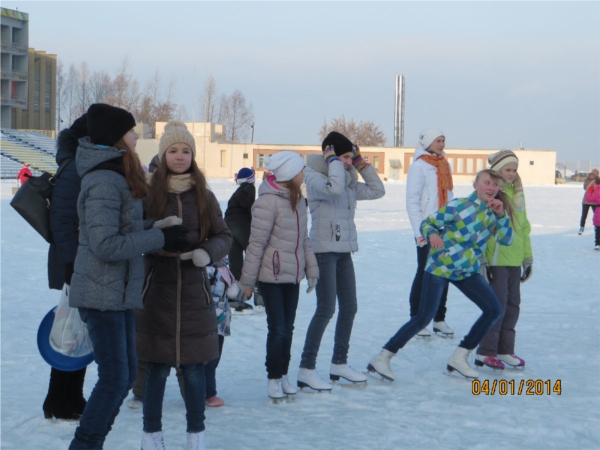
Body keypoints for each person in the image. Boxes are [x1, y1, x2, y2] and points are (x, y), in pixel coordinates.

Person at [68, 104, 189, 450]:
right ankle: (85, 445)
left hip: (116, 293)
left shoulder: (115, 173)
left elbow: (119, 228)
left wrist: (155, 226)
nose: (137, 137)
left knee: (121, 377)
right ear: (116, 138)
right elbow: (105, 244)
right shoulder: (104, 180)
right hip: (100, 293)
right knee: (115, 379)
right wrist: (159, 238)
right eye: (131, 131)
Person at [135, 120, 232, 449]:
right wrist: (155, 230)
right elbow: (132, 231)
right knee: (157, 369)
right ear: (163, 155)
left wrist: (207, 251)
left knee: (193, 369)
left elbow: (224, 235)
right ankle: (151, 435)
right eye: (173, 150)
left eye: (186, 151)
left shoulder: (203, 194)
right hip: (157, 289)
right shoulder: (148, 192)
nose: (180, 156)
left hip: (194, 290)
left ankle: (196, 436)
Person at [368, 169, 513, 381]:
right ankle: (382, 357)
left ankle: (460, 356)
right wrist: (433, 234)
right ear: (475, 185)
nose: (491, 188)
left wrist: (501, 216)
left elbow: (507, 240)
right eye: (487, 182)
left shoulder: (494, 213)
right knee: (423, 317)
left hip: (467, 271)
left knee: (493, 309)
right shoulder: (459, 206)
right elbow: (427, 223)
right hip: (441, 266)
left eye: (495, 185)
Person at [298, 132, 385, 390]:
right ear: (330, 155)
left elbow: (377, 190)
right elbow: (333, 188)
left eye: (350, 157)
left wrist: (361, 164)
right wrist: (335, 162)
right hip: (323, 251)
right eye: (344, 156)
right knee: (326, 309)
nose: (347, 162)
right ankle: (306, 367)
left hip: (343, 251)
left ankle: (339, 363)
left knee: (350, 306)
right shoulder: (313, 176)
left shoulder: (347, 181)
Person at [237, 151, 319, 400]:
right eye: (301, 170)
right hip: (270, 276)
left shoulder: (299, 201)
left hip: (292, 276)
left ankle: (283, 374)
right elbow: (256, 244)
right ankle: (273, 377)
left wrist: (312, 269)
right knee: (278, 329)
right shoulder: (266, 202)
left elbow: (304, 240)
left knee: (289, 328)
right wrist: (247, 282)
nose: (304, 174)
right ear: (289, 173)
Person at [43, 114, 88, 421]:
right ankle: (57, 400)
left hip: (77, 261)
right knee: (69, 331)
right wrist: (72, 264)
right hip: (72, 262)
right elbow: (61, 221)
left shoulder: (77, 164)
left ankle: (72, 396)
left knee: (78, 329)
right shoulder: (74, 167)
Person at [476, 150, 533, 369]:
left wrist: (527, 257)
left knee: (512, 307)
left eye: (514, 170)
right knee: (496, 307)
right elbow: (480, 227)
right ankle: (486, 351)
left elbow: (524, 226)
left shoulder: (517, 192)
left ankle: (505, 349)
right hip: (497, 259)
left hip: (515, 258)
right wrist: (482, 258)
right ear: (497, 169)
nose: (511, 174)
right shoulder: (489, 191)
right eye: (507, 169)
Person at [405, 128, 454, 338]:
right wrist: (419, 231)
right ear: (427, 142)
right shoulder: (419, 167)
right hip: (427, 226)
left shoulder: (445, 165)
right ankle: (417, 318)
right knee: (424, 273)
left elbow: (450, 197)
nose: (441, 144)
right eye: (438, 140)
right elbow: (412, 201)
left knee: (443, 272)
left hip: (445, 226)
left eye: (443, 140)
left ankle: (439, 319)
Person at [224, 167, 256, 313]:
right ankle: (252, 289)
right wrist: (253, 209)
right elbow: (245, 200)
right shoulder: (249, 188)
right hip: (240, 225)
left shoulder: (237, 191)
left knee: (235, 259)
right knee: (253, 254)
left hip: (229, 224)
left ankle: (233, 294)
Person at [579, 169, 599, 235]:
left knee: (584, 215)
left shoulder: (586, 179)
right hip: (594, 200)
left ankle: (581, 228)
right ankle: (597, 228)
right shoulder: (597, 180)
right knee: (597, 216)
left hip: (586, 200)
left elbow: (585, 188)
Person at [585, 172, 600, 250]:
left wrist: (589, 192)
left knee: (598, 229)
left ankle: (597, 243)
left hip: (598, 211)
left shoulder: (596, 190)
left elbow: (590, 199)